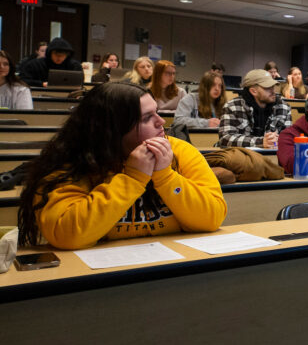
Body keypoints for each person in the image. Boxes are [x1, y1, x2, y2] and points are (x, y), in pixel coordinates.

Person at [16, 82, 226, 250]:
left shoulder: (178, 151)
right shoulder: (71, 161)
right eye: (146, 118)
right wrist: (132, 179)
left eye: (157, 112)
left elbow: (212, 217)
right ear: (112, 129)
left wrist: (165, 176)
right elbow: (66, 234)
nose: (161, 122)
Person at [219, 69, 292, 148]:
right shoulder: (232, 107)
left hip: (271, 156)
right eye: (268, 88)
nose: (273, 91)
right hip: (241, 157)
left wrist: (276, 142)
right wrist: (260, 142)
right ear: (253, 91)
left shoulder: (284, 107)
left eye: (273, 87)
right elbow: (225, 139)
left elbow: (288, 139)